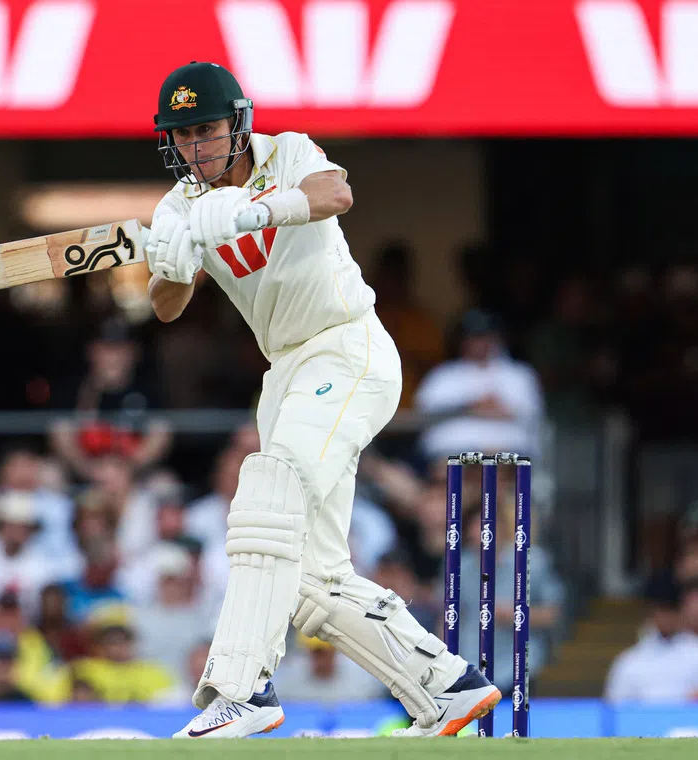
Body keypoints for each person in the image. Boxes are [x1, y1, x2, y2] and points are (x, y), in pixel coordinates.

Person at [145, 61, 497, 739]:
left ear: (237, 124)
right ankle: (447, 688)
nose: (195, 146)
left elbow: (336, 193)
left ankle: (242, 690)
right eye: (182, 135)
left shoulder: (288, 152)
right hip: (286, 373)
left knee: (269, 490)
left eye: (206, 130)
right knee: (312, 579)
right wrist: (173, 262)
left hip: (345, 346)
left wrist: (250, 211)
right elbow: (166, 306)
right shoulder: (179, 205)